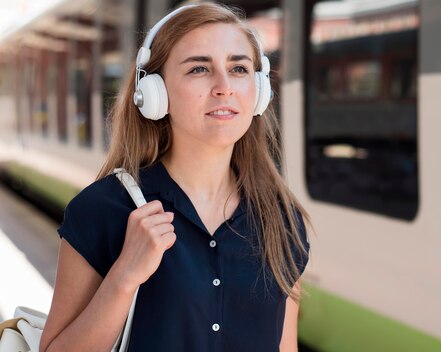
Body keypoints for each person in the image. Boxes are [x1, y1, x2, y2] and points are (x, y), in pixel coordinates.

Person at [39, 3, 310, 351]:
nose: (224, 87)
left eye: (239, 68)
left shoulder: (282, 220)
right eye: (199, 68)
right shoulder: (102, 209)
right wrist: (124, 277)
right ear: (155, 92)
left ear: (258, 90)